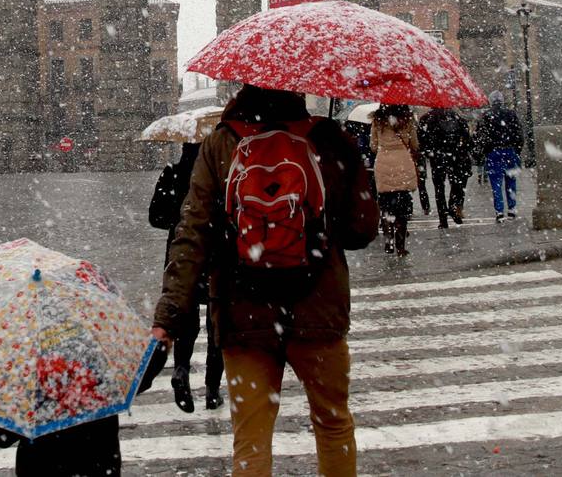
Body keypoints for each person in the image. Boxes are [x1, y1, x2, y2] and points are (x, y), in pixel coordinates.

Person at [152, 85, 379, 477]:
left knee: (251, 437)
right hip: (317, 306)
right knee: (332, 423)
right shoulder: (327, 138)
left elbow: (191, 233)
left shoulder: (222, 142)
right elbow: (362, 229)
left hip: (245, 311)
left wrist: (169, 317)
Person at [0, 342, 168, 476]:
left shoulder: (19, 357)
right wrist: (161, 348)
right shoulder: (98, 342)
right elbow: (137, 376)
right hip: (99, 460)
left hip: (40, 466)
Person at [158, 142, 224, 412]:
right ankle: (212, 389)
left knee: (186, 321)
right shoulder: (217, 173)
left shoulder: (173, 171)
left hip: (182, 254)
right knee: (215, 325)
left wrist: (177, 217)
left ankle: (181, 371)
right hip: (214, 253)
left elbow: (156, 217)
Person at [371, 104, 420, 256]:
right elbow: (415, 144)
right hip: (403, 164)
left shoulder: (377, 121)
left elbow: (373, 146)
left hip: (384, 165)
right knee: (402, 211)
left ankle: (388, 243)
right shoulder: (407, 120)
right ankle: (400, 247)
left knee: (386, 208)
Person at [417, 107, 474, 228]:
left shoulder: (427, 119)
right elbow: (467, 139)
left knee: (439, 189)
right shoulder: (457, 117)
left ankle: (443, 219)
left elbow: (421, 140)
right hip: (454, 156)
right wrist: (460, 149)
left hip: (437, 158)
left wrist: (429, 152)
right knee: (455, 184)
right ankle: (452, 206)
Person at [476, 91, 524, 222]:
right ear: (502, 101)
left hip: (494, 153)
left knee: (496, 183)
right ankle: (512, 209)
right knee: (511, 182)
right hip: (509, 150)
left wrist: (486, 150)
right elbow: (519, 134)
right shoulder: (511, 114)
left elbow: (481, 137)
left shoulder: (486, 116)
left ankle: (499, 211)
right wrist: (517, 149)